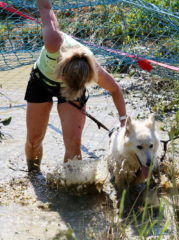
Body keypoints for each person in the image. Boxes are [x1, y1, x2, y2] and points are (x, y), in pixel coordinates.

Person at [24, 0, 127, 172]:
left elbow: (115, 89)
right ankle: (33, 174)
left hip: (73, 90)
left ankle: (71, 186)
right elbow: (45, 6)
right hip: (41, 82)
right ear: (61, 73)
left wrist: (124, 122)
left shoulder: (92, 67)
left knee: (73, 143)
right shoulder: (52, 42)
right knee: (34, 139)